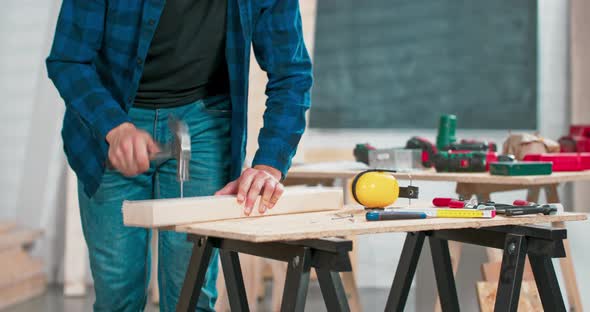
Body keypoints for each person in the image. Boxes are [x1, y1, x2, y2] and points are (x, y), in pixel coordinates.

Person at [46, 0, 312, 311]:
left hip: (202, 124)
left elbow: (291, 73)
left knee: (192, 292)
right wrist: (113, 127)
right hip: (114, 117)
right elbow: (69, 60)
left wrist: (269, 165)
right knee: (117, 294)